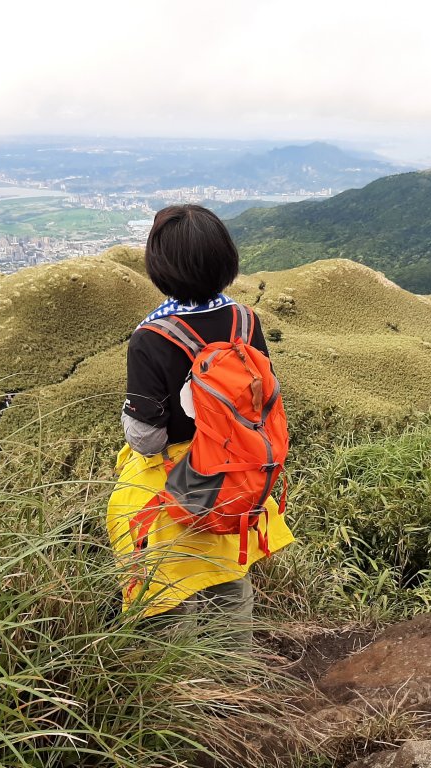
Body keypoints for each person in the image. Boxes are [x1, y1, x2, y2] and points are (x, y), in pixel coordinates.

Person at [106, 204, 295, 644]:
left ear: (159, 266)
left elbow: (147, 437)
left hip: (178, 481)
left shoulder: (151, 337)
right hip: (236, 474)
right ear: (225, 260)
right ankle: (236, 676)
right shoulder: (247, 320)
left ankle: (175, 688)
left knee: (166, 586)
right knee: (228, 577)